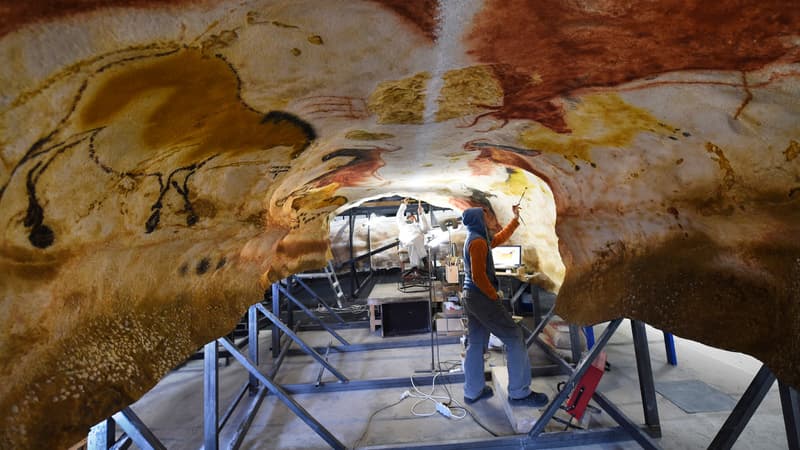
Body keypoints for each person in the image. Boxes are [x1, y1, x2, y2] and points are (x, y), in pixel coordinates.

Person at [460, 204, 549, 407]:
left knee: (475, 342)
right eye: (485, 217)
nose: (488, 220)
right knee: (515, 337)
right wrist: (494, 295)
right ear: (478, 221)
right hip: (481, 297)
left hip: (472, 298)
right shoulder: (478, 243)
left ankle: (473, 391)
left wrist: (515, 220)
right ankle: (519, 393)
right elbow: (478, 275)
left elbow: (499, 238)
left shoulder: (477, 238)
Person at [395, 198, 430, 272]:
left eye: (413, 217)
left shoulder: (417, 225)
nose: (411, 218)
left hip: (415, 240)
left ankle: (415, 268)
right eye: (409, 217)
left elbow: (425, 229)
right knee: (413, 241)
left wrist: (421, 214)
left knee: (413, 242)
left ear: (415, 218)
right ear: (406, 219)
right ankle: (424, 260)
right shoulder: (403, 225)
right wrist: (403, 205)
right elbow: (399, 216)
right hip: (407, 239)